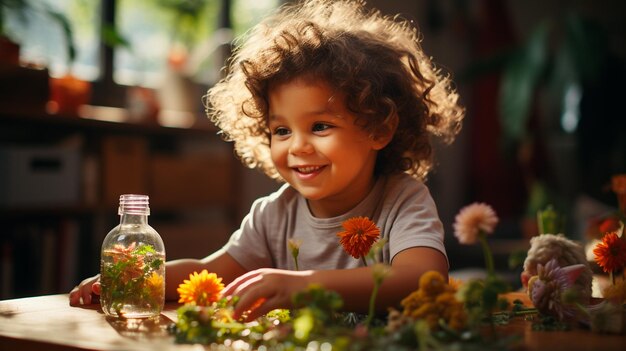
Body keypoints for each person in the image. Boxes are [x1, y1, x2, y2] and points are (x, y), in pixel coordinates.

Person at [69, 0, 464, 321]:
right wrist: (140, 277)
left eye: (321, 126)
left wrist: (303, 285)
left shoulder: (402, 200)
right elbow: (210, 273)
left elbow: (422, 278)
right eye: (282, 131)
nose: (298, 147)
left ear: (379, 129)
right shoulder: (274, 213)